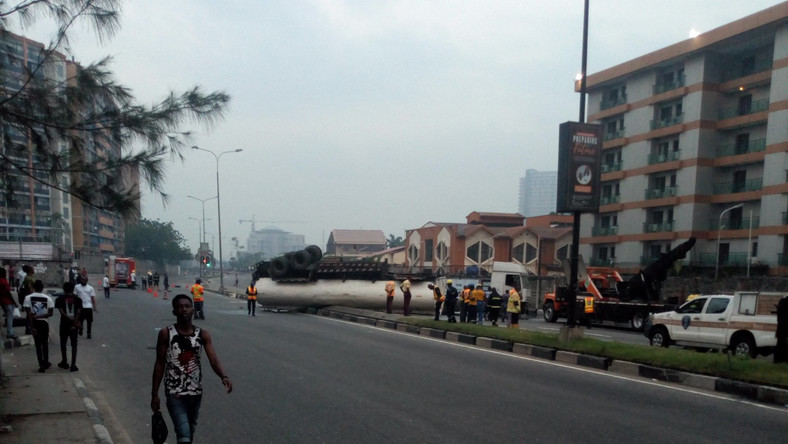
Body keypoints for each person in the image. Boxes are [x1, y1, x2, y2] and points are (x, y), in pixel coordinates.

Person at [151, 294, 232, 444]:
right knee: (183, 433)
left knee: (189, 431)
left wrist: (223, 376)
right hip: (174, 393)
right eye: (179, 307)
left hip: (195, 393)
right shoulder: (166, 334)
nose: (184, 309)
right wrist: (154, 394)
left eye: (187, 306)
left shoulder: (202, 334)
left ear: (193, 310)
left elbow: (213, 359)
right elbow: (160, 363)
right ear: (174, 312)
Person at [23, 280, 55, 372]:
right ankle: (46, 363)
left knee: (37, 344)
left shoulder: (28, 298)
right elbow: (50, 313)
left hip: (34, 323)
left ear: (33, 287)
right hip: (44, 323)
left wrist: (32, 327)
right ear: (42, 288)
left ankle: (41, 365)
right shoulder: (48, 298)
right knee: (45, 343)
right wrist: (40, 316)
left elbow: (28, 314)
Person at [56, 282, 82, 372]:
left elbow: (62, 312)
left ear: (63, 289)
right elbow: (78, 312)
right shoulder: (78, 299)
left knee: (63, 343)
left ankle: (64, 362)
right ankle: (73, 365)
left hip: (64, 324)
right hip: (74, 325)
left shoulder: (59, 299)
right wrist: (74, 322)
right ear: (73, 289)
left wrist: (68, 318)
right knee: (74, 345)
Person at [1, 267, 19, 339]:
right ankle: (10, 333)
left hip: (2, 301)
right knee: (10, 317)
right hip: (7, 301)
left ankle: (10, 331)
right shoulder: (4, 281)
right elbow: (8, 293)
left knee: (8, 316)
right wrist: (14, 302)